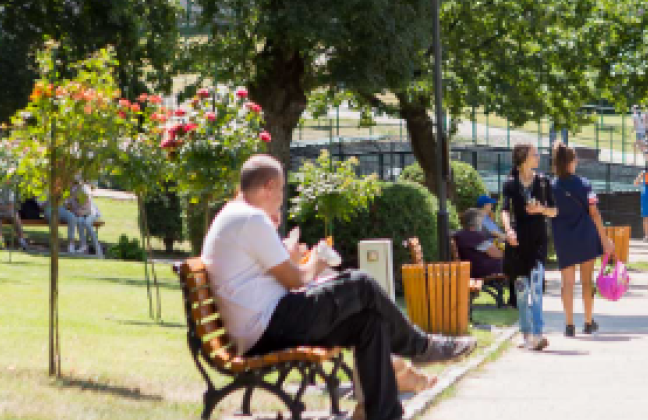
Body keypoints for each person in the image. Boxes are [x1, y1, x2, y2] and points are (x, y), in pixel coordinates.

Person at [203, 155, 475, 420]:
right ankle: (421, 346)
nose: (282, 196)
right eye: (282, 188)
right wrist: (318, 262)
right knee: (360, 283)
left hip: (265, 324)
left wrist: (293, 258)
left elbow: (269, 274)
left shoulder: (236, 216)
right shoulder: (251, 219)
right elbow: (296, 280)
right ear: (269, 186)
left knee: (369, 322)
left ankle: (383, 414)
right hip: (267, 325)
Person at [549, 141, 615, 337]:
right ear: (570, 162)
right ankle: (588, 321)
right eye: (575, 158)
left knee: (567, 283)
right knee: (587, 282)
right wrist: (605, 239)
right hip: (585, 236)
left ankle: (569, 325)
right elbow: (594, 213)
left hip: (563, 238)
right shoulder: (585, 184)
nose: (577, 161)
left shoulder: (551, 186)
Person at [500, 143, 558, 351]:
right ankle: (526, 334)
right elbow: (505, 210)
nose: (538, 157)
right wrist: (508, 231)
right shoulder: (510, 184)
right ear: (524, 158)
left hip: (538, 240)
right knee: (522, 290)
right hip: (517, 240)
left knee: (536, 284)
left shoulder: (543, 182)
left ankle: (538, 333)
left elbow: (554, 211)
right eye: (535, 154)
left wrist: (541, 209)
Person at [453, 208, 505, 279]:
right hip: (482, 270)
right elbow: (497, 254)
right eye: (480, 220)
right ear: (475, 222)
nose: (482, 223)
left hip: (472, 269)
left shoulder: (460, 235)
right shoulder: (475, 236)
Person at [60, 177, 102, 255]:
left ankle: (97, 247)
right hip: (80, 213)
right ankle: (83, 246)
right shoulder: (68, 192)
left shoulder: (83, 189)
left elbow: (89, 208)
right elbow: (68, 206)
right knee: (80, 221)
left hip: (91, 212)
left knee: (87, 223)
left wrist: (80, 212)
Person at [634, 171, 648, 243]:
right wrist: (641, 174)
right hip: (644, 202)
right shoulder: (643, 181)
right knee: (645, 219)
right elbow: (635, 183)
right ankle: (647, 236)